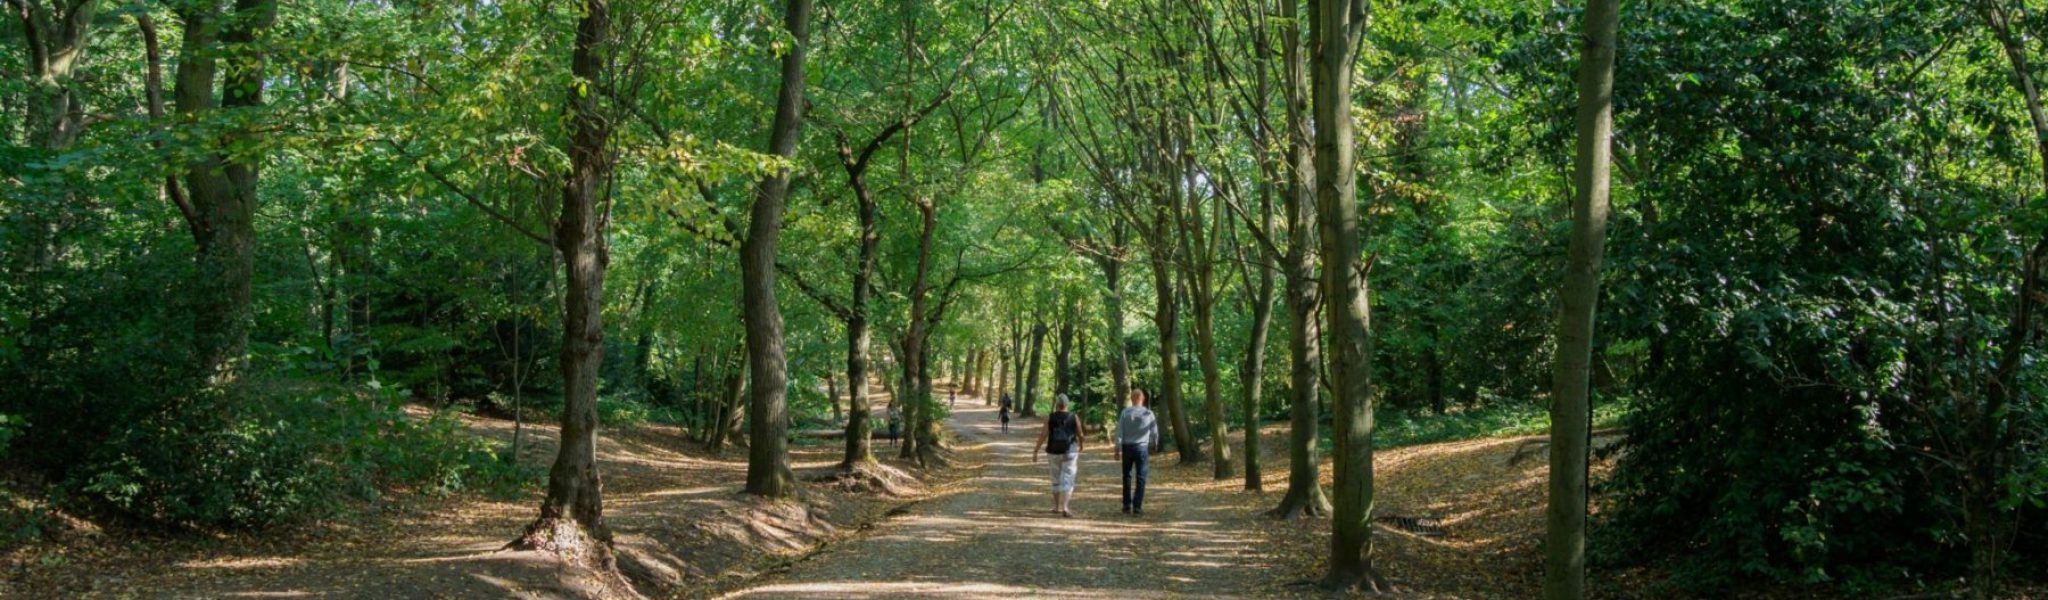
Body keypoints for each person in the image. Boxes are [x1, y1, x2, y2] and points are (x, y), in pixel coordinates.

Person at [1034, 394, 1085, 517]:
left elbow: (1043, 435)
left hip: (1053, 451)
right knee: (1068, 478)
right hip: (1070, 451)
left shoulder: (1050, 418)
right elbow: (1080, 434)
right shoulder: (1074, 417)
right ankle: (1065, 507)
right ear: (1067, 404)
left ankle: (1056, 507)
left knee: (1055, 479)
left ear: (1057, 404)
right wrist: (1082, 445)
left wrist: (1035, 451)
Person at [1114, 389, 1162, 516]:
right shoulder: (1148, 413)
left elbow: (1120, 431)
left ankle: (1126, 505)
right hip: (1141, 448)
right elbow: (1154, 431)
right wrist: (1154, 444)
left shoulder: (1125, 412)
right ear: (1143, 399)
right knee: (1141, 477)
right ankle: (1137, 507)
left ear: (1132, 398)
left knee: (1127, 476)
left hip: (1127, 448)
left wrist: (1117, 448)